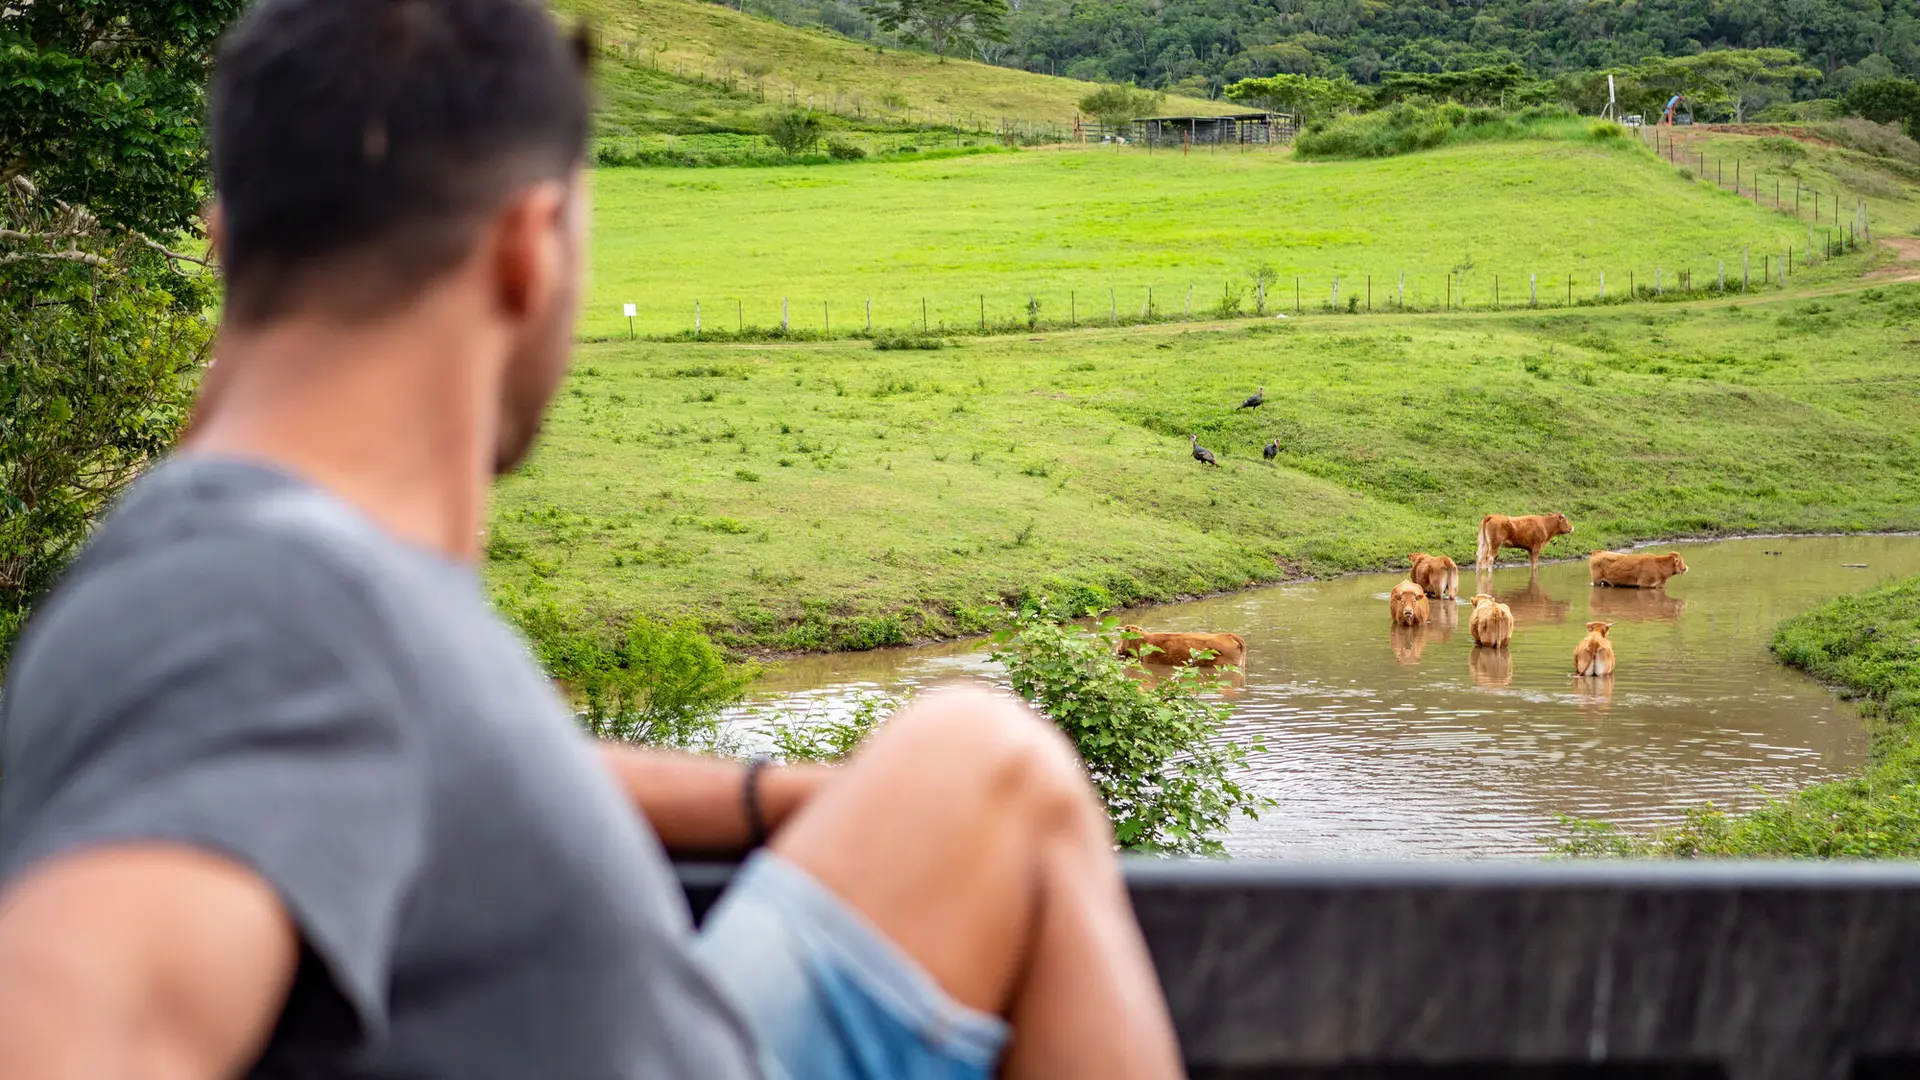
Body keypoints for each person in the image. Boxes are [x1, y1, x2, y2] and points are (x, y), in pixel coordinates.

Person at [0, 1, 1185, 1078]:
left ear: (223, 238)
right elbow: (76, 1026)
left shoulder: (257, 583)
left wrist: (766, 797)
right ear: (528, 249)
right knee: (998, 760)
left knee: (976, 776)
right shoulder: (248, 606)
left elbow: (382, 754)